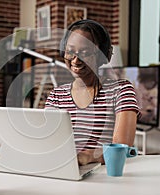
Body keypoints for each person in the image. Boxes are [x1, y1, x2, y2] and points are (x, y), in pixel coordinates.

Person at [45, 19, 140, 165]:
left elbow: (122, 147)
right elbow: (47, 142)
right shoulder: (56, 95)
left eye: (85, 52)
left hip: (104, 176)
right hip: (65, 172)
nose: (76, 60)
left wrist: (88, 157)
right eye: (70, 51)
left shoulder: (121, 91)